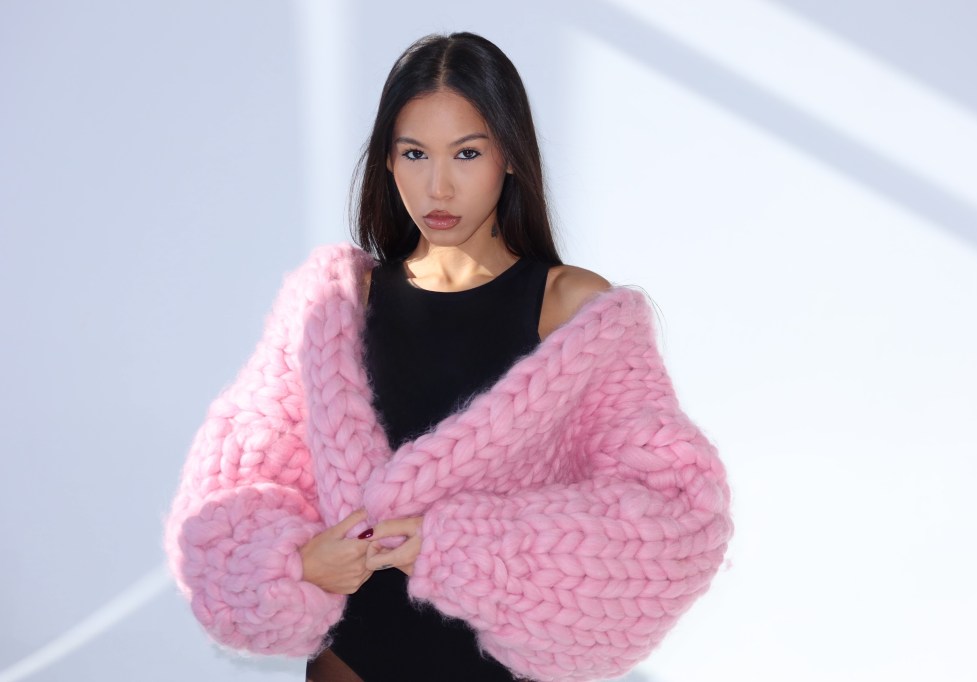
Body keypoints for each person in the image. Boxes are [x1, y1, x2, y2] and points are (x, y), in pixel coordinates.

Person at [164, 32, 732, 682]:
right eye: (414, 154)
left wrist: (466, 548)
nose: (438, 186)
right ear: (387, 161)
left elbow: (676, 510)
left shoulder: (574, 312)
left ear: (509, 157)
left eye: (467, 153)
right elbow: (225, 495)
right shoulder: (332, 308)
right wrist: (295, 562)